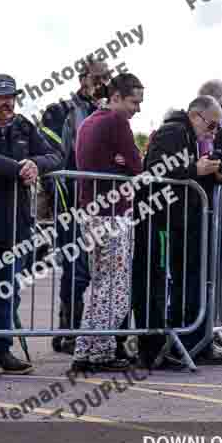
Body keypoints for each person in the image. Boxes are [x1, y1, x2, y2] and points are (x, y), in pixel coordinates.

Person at [132, 96, 222, 368]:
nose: (214, 132)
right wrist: (195, 169)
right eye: (212, 126)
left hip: (183, 221)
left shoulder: (198, 137)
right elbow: (155, 171)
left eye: (218, 127)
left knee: (182, 284)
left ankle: (178, 344)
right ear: (196, 116)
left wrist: (218, 173)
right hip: (159, 219)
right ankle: (152, 350)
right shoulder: (173, 131)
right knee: (154, 285)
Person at [0, 74, 61, 376]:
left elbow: (55, 155)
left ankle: (1, 348)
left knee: (8, 290)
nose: (6, 102)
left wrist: (36, 164)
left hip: (15, 224)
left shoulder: (24, 126)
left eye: (10, 96)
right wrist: (14, 168)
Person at [71, 73, 144, 372]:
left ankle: (85, 351)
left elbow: (127, 162)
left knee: (102, 284)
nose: (137, 109)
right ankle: (99, 351)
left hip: (92, 211)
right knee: (115, 287)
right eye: (134, 101)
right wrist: (124, 163)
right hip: (112, 213)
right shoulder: (115, 122)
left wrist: (122, 162)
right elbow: (137, 165)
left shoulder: (90, 120)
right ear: (116, 97)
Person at [53, 60, 111, 354]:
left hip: (103, 202)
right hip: (72, 200)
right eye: (98, 77)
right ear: (82, 78)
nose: (102, 83)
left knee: (96, 268)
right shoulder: (62, 109)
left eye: (107, 78)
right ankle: (68, 329)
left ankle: (88, 329)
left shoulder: (108, 112)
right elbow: (55, 156)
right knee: (76, 268)